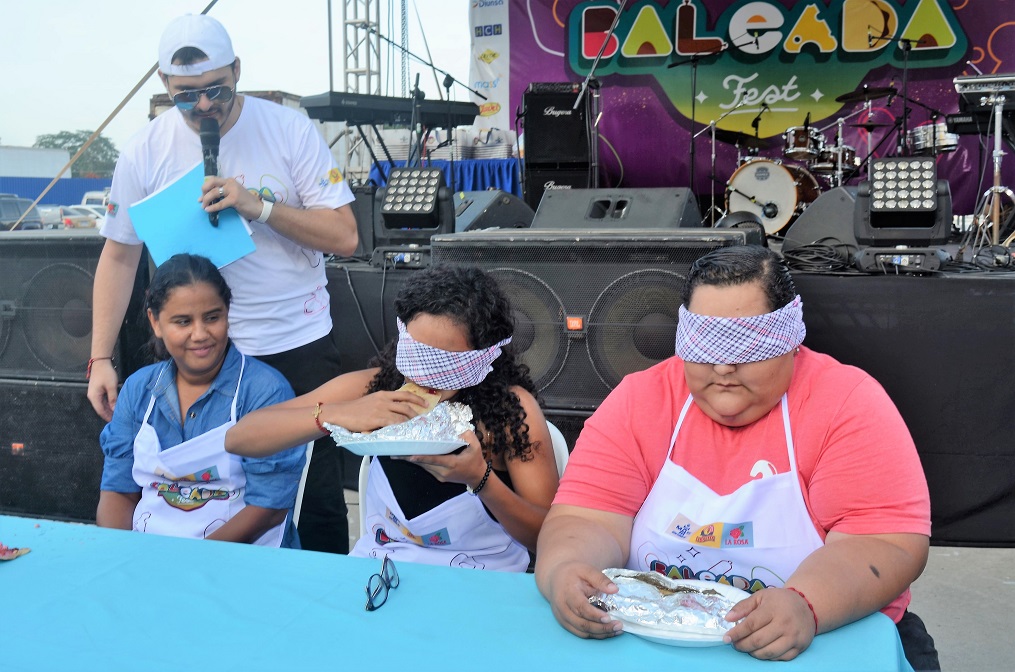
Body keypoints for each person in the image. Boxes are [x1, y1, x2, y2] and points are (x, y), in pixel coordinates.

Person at [535, 245, 938, 669]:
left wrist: (808, 603)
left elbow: (884, 541)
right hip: (653, 643)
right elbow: (585, 518)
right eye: (706, 344)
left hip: (826, 643)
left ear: (790, 339)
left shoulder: (849, 404)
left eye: (746, 345)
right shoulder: (640, 401)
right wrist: (568, 569)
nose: (724, 366)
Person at [87, 14, 358, 554]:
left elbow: (345, 235)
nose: (205, 106)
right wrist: (98, 357)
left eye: (217, 89)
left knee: (314, 495)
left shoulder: (289, 128)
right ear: (165, 84)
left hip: (291, 340)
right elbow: (119, 257)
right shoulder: (145, 149)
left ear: (238, 70)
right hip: (197, 348)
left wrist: (258, 206)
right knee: (196, 485)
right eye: (187, 96)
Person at [225, 265, 560, 571]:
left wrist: (481, 479)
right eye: (416, 356)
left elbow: (549, 537)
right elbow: (240, 437)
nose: (423, 380)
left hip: (477, 583)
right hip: (377, 572)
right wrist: (336, 414)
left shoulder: (510, 412)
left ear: (483, 357)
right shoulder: (376, 387)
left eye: (440, 364)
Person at [96, 254, 306, 548]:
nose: (200, 334)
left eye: (212, 317)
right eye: (183, 321)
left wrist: (190, 562)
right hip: (147, 560)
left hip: (243, 563)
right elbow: (118, 491)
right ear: (155, 322)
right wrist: (122, 557)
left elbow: (269, 509)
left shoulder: (264, 391)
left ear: (228, 313)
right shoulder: (137, 389)